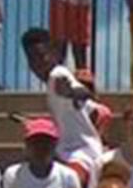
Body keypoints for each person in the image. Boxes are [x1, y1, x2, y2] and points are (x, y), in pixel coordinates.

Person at [22, 28, 102, 179]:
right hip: (64, 151)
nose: (37, 63)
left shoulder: (58, 74)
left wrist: (71, 93)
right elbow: (93, 110)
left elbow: (83, 93)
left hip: (80, 153)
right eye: (31, 58)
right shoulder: (52, 82)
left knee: (70, 180)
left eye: (41, 56)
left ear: (54, 53)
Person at [1, 118, 86, 188]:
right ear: (27, 145)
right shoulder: (12, 174)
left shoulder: (68, 176)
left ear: (55, 145)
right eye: (36, 143)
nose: (41, 148)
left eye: (46, 143)